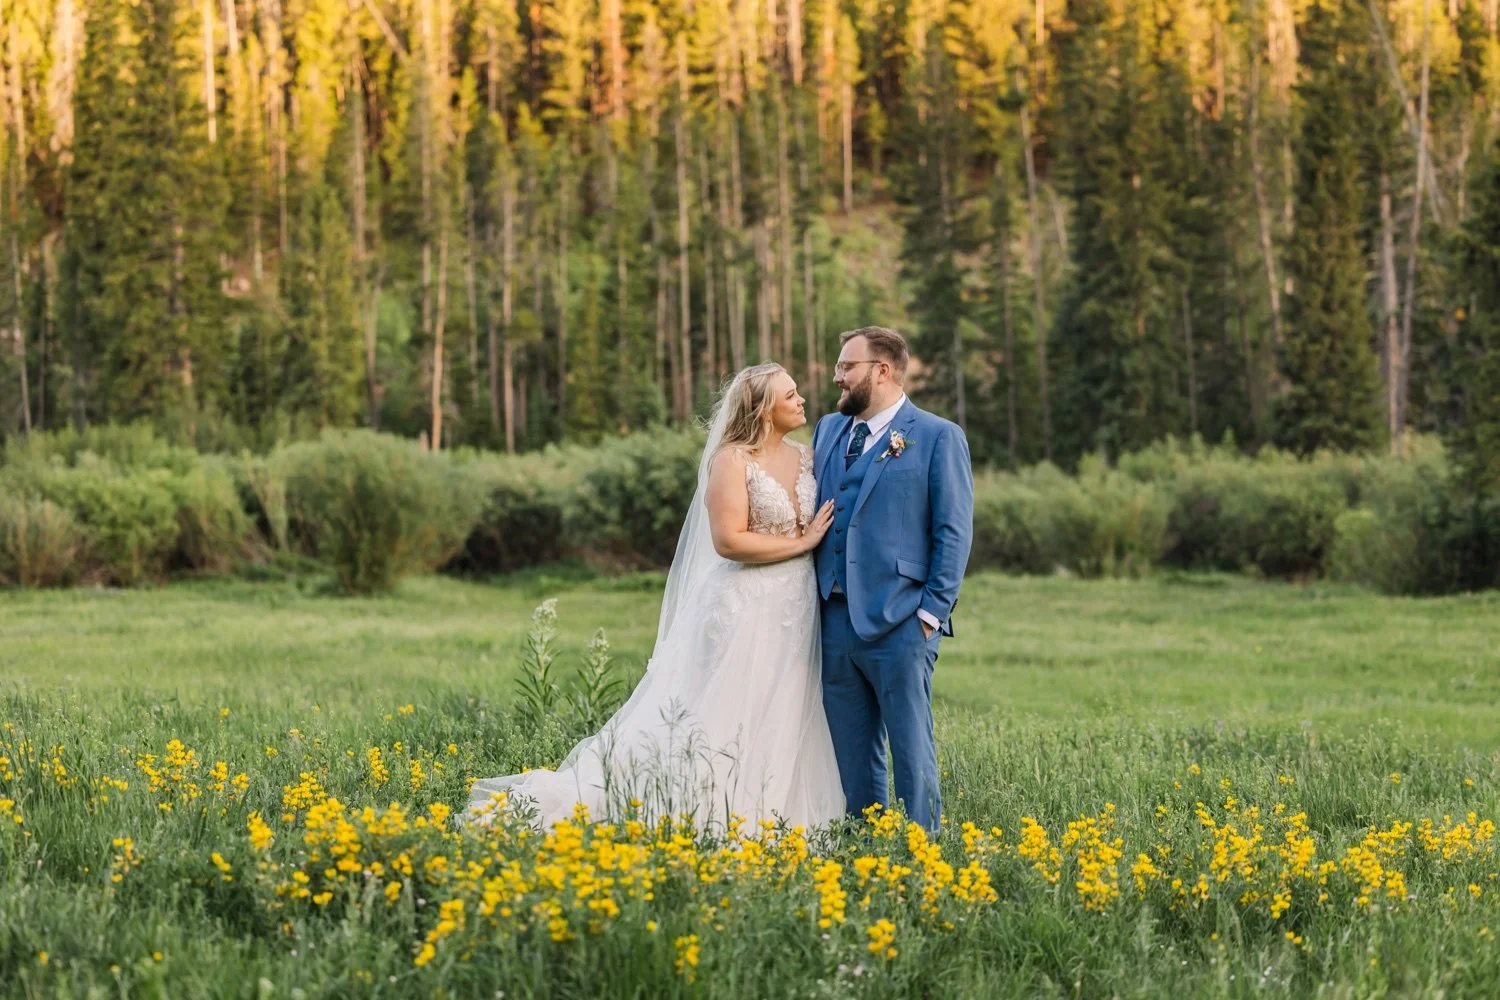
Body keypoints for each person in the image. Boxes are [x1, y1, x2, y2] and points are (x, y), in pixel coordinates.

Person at [810, 326, 974, 833]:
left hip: (902, 621)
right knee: (853, 751)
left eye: (846, 367)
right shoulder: (827, 431)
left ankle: (924, 848)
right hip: (833, 619)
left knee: (910, 747)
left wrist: (929, 615)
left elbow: (954, 530)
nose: (836, 376)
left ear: (881, 371)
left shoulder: (937, 435)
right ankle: (868, 846)